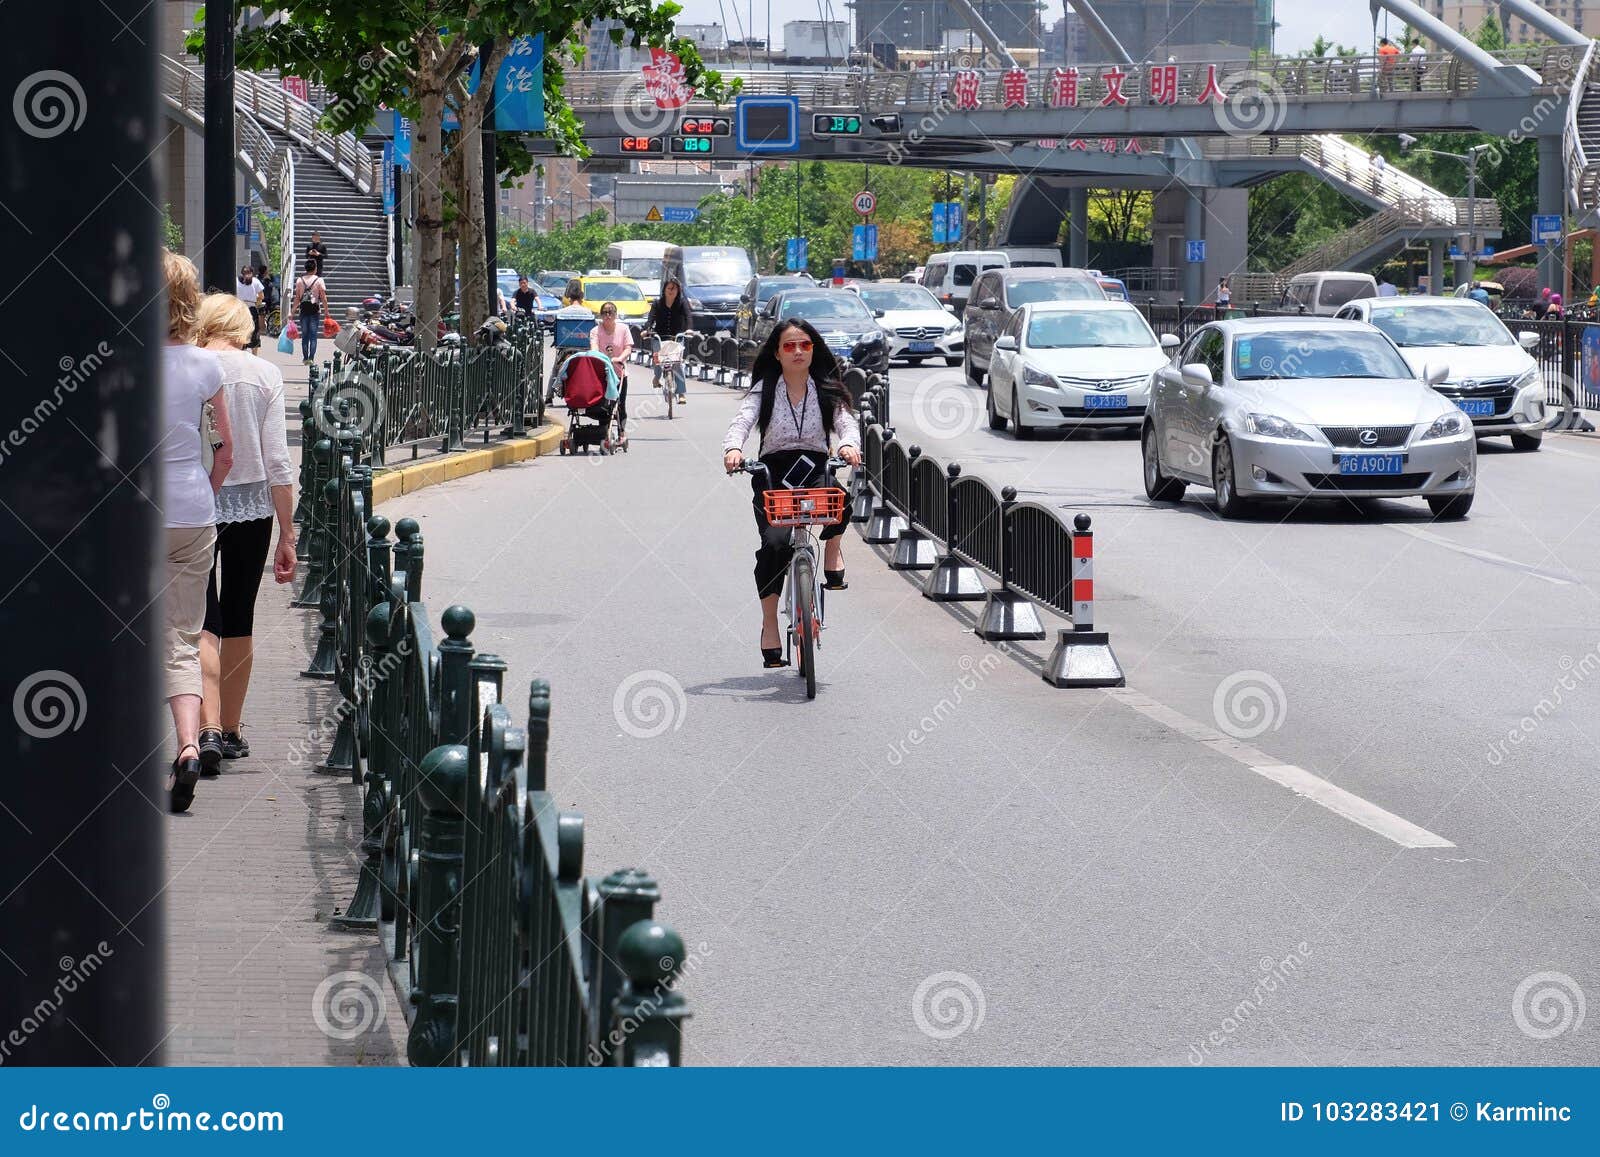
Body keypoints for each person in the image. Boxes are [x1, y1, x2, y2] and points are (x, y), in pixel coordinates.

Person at [192, 294, 297, 772]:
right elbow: (278, 461)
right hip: (252, 506)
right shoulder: (264, 374)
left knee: (200, 618)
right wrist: (288, 533)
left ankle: (205, 727)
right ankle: (231, 729)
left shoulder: (186, 367)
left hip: (192, 503)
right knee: (239, 616)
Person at [722, 320, 862, 669]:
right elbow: (742, 421)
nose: (798, 352)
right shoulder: (765, 389)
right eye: (789, 346)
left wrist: (847, 444)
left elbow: (846, 423)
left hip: (814, 466)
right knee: (774, 544)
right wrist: (733, 449)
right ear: (777, 353)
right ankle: (770, 624)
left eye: (805, 345)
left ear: (814, 349)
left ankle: (832, 551)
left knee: (839, 502)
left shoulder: (826, 388)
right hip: (774, 471)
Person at [161, 252, 234, 813]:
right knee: (184, 637)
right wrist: (206, 489)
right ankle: (188, 744)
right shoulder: (207, 368)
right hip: (192, 509)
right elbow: (225, 449)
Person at [645, 276, 691, 404]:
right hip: (660, 336)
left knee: (677, 363)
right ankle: (657, 377)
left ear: (678, 291)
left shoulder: (682, 303)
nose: (671, 291)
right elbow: (650, 319)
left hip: (676, 337)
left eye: (674, 289)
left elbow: (688, 317)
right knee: (658, 359)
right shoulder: (657, 303)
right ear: (664, 289)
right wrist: (647, 330)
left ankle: (681, 393)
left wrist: (689, 329)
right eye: (669, 288)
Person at [590, 302, 634, 434]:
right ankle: (603, 431)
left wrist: (620, 358)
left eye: (611, 312)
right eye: (605, 313)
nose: (608, 316)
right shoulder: (595, 331)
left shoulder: (624, 329)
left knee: (620, 404)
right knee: (603, 405)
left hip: (619, 373)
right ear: (601, 315)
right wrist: (601, 359)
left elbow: (628, 348)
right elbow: (594, 348)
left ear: (616, 314)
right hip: (602, 373)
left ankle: (621, 431)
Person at [292, 257, 328, 364]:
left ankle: (305, 358)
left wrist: (292, 311)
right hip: (314, 311)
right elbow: (323, 297)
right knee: (313, 336)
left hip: (303, 311)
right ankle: (311, 358)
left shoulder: (299, 280)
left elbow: (297, 298)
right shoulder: (319, 280)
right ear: (315, 268)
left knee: (305, 335)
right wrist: (326, 310)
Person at [235, 265, 262, 353]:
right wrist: (256, 302)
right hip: (249, 308)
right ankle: (253, 355)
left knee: (242, 330)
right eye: (245, 273)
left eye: (248, 273)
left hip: (240, 308)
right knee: (253, 331)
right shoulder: (255, 281)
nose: (247, 275)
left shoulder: (236, 281)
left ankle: (242, 351)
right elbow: (261, 296)